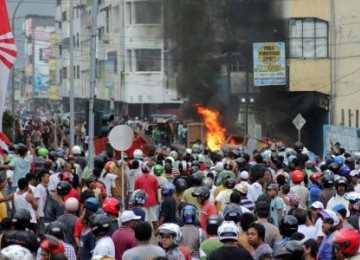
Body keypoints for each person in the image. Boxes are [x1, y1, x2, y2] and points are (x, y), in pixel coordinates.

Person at [134, 161, 159, 231]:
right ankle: (156, 233)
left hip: (142, 201)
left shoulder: (138, 179)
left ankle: (145, 233)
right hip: (152, 200)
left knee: (145, 219)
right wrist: (157, 200)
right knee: (154, 219)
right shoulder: (154, 178)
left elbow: (136, 192)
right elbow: (156, 191)